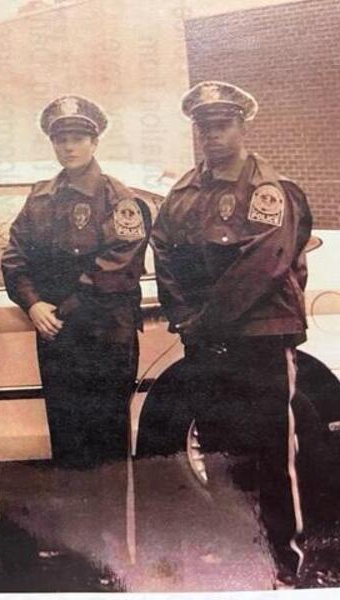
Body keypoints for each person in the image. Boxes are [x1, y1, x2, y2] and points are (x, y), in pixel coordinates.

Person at [150, 81, 312, 586]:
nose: (212, 135)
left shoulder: (268, 188)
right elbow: (165, 254)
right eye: (204, 126)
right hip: (204, 337)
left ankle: (282, 562)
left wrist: (204, 321)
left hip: (259, 335)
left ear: (243, 126)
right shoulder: (183, 192)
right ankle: (233, 549)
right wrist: (182, 315)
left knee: (270, 452)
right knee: (219, 450)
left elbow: (263, 266)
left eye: (222, 124)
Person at [1, 95, 151, 469]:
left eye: (78, 138)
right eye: (60, 139)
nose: (68, 146)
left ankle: (113, 528)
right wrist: (32, 303)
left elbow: (118, 262)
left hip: (105, 333)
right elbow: (14, 256)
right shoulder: (40, 197)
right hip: (56, 334)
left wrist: (63, 307)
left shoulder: (117, 197)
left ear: (95, 142)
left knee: (107, 443)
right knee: (66, 440)